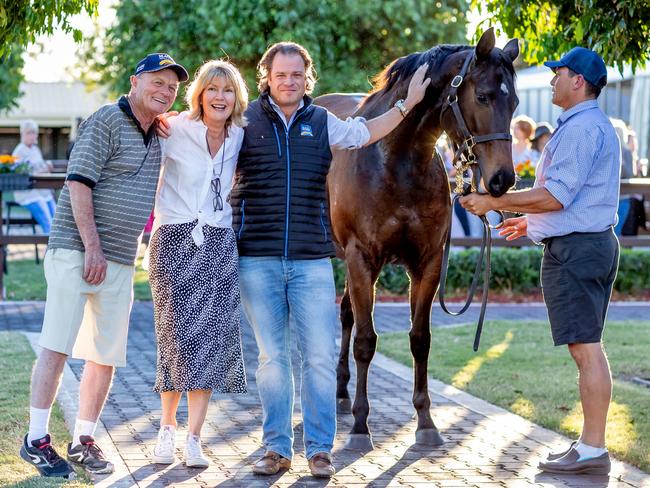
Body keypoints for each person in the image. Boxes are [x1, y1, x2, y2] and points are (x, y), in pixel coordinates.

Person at [231, 41, 430, 478]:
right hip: (258, 259)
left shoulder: (323, 121)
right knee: (272, 359)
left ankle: (319, 450)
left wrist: (409, 103)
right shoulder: (242, 123)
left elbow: (366, 133)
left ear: (308, 78)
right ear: (266, 77)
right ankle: (276, 448)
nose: (289, 82)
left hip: (310, 262)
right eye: (281, 75)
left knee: (320, 356)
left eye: (297, 75)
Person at [19, 53, 188, 478]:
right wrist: (91, 247)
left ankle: (83, 440)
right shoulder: (105, 120)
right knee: (57, 345)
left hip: (120, 258)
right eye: (158, 82)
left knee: (104, 355)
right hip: (77, 251)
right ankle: (36, 439)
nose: (165, 91)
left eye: (172, 86)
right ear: (135, 81)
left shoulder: (162, 133)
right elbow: (77, 185)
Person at [460, 47, 619, 476]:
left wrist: (494, 201)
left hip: (578, 251)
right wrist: (529, 224)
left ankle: (592, 450)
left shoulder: (583, 129)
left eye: (558, 74)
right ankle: (590, 445)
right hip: (585, 243)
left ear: (578, 82)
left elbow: (556, 196)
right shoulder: (584, 126)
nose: (551, 80)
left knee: (586, 349)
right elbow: (573, 200)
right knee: (587, 348)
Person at [148, 60, 248, 468]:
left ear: (236, 97)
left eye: (227, 90)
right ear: (200, 95)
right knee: (174, 339)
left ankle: (194, 438)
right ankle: (166, 428)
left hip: (219, 242)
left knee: (208, 342)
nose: (220, 97)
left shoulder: (242, 135)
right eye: (212, 89)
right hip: (173, 240)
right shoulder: (174, 130)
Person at [11, 120, 57, 233]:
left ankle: (57, 246)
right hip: (27, 193)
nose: (33, 135)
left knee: (57, 219)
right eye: (29, 133)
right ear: (23, 134)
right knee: (49, 224)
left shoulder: (35, 149)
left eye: (34, 132)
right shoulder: (19, 151)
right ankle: (51, 247)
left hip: (42, 191)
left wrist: (47, 167)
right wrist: (43, 169)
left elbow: (41, 167)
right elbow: (22, 173)